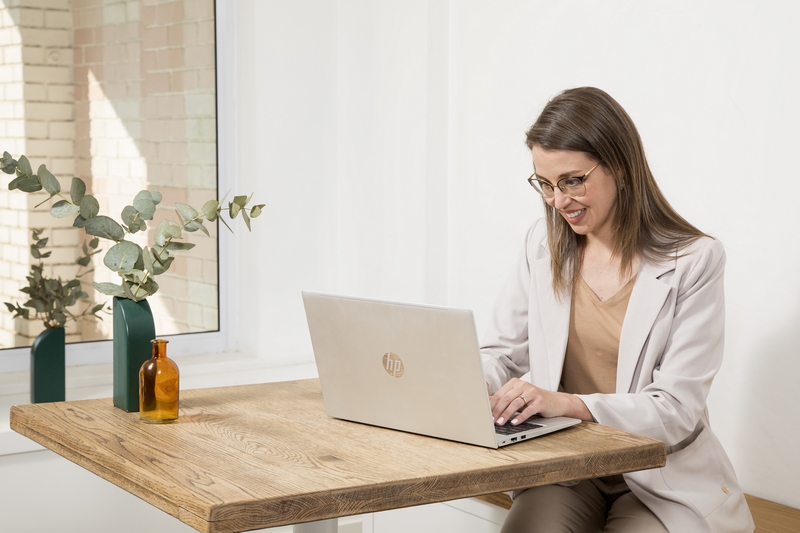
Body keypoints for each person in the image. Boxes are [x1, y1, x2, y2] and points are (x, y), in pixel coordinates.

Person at [481, 87, 754, 533]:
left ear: (620, 167)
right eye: (545, 184)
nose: (558, 201)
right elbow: (501, 354)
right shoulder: (542, 244)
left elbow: (676, 409)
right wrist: (465, 387)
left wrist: (566, 403)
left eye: (573, 180)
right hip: (570, 463)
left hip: (660, 471)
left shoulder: (695, 259)